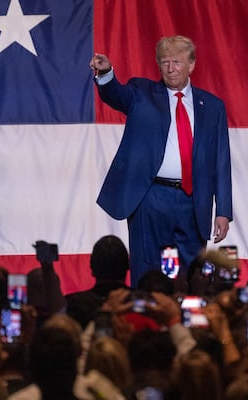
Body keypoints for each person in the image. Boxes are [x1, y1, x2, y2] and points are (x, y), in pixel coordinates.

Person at [90, 35, 233, 287]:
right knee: (148, 272)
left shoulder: (212, 107)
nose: (170, 68)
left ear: (192, 65)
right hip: (150, 197)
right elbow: (115, 94)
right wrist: (106, 74)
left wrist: (223, 211)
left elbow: (221, 161)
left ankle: (189, 323)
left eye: (176, 62)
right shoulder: (141, 93)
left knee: (193, 276)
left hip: (194, 201)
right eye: (164, 62)